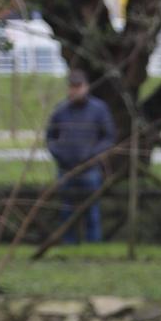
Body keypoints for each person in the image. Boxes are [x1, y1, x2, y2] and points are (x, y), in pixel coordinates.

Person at [45, 69, 117, 245]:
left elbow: (109, 137)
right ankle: (67, 245)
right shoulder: (60, 110)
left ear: (86, 87)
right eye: (72, 87)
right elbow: (50, 138)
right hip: (66, 169)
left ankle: (94, 246)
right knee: (66, 210)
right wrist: (60, 154)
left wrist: (93, 156)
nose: (75, 91)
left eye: (79, 86)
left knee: (92, 211)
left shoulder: (99, 110)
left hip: (90, 170)